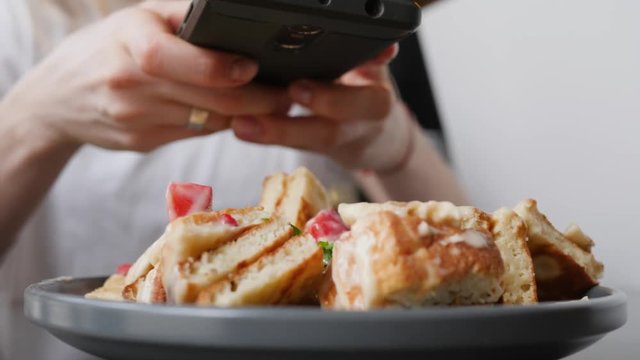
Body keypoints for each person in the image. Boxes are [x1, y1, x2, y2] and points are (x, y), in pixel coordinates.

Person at [0, 0, 466, 358]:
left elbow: (483, 284)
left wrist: (395, 152)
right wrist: (33, 119)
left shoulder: (334, 19)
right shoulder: (19, 24)